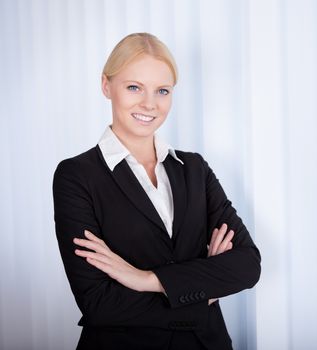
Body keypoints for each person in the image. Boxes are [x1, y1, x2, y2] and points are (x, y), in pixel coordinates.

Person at [52, 32, 261, 350]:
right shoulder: (77, 176)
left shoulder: (194, 169)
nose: (149, 104)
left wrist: (146, 280)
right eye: (134, 87)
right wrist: (205, 288)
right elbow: (99, 302)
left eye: (162, 90)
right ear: (106, 86)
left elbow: (247, 265)